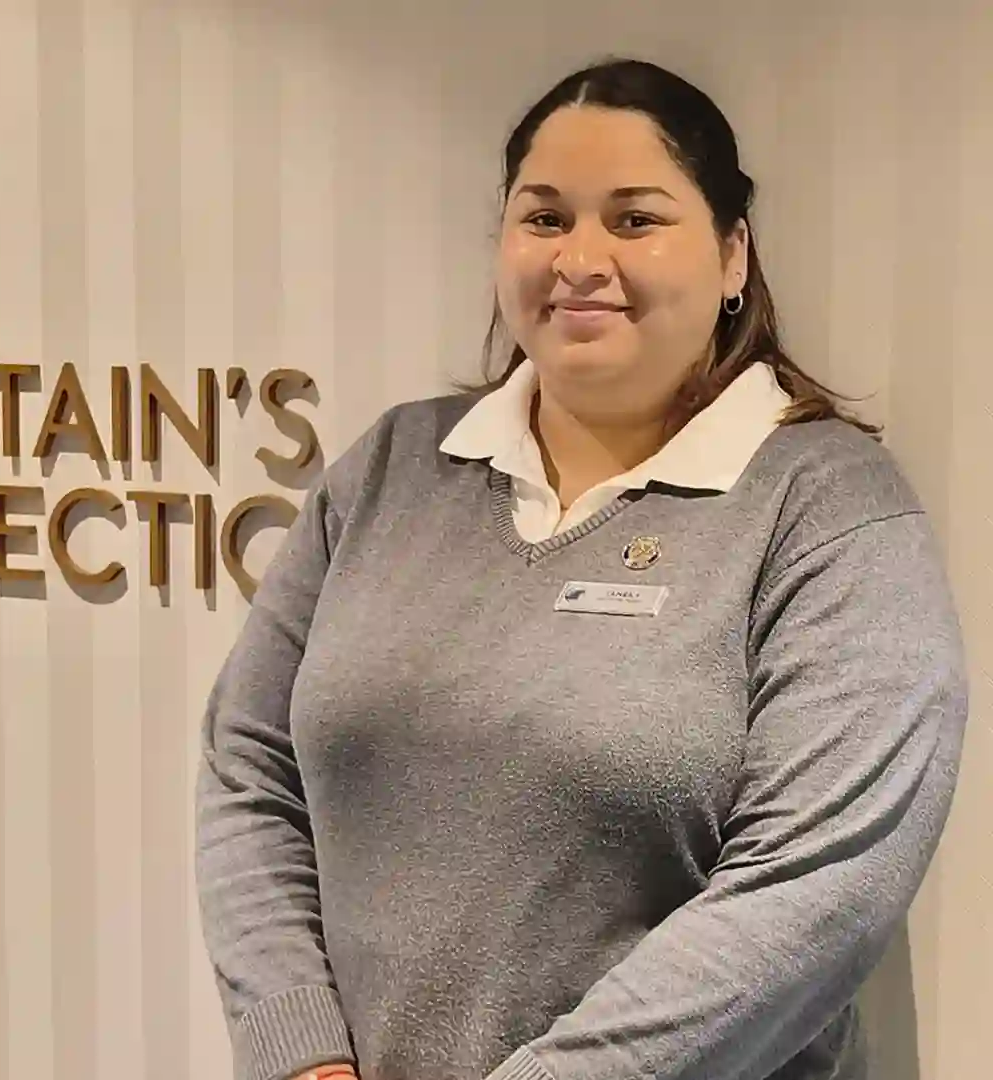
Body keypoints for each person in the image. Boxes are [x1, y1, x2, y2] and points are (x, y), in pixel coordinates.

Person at [193, 57, 969, 1080]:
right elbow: (248, 769)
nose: (581, 258)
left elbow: (819, 884)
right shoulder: (390, 470)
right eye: (546, 218)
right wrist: (300, 1051)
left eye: (635, 220)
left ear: (734, 254)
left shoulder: (827, 509)